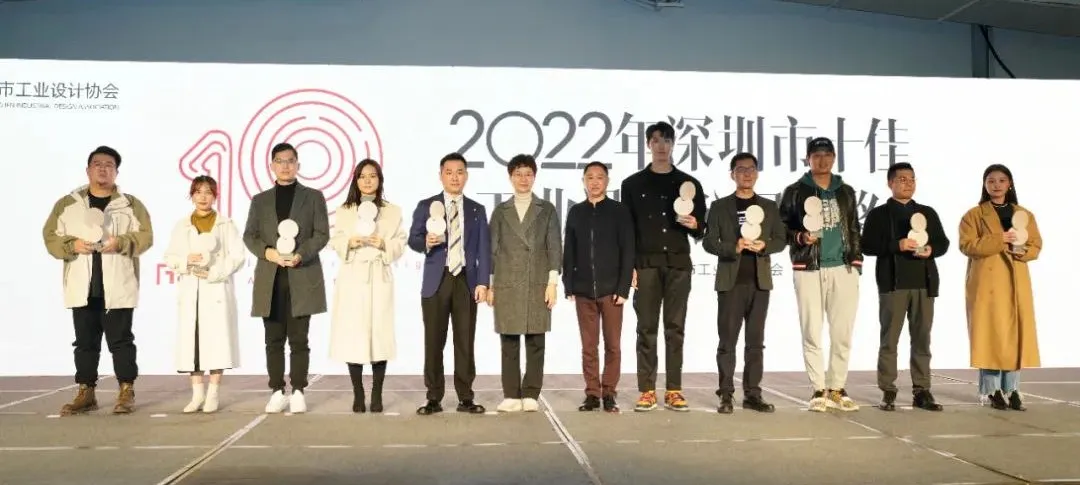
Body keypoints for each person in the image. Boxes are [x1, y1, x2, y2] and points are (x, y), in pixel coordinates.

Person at [42, 145, 153, 415]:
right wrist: (72, 245)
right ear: (88, 170)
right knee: (84, 343)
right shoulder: (68, 204)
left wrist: (121, 242)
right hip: (83, 286)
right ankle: (86, 392)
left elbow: (146, 237)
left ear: (116, 172)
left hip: (118, 285)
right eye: (97, 164)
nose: (103, 169)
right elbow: (51, 236)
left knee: (121, 342)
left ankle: (126, 390)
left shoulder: (131, 204)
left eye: (109, 165)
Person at [620, 121, 707, 412]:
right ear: (648, 144)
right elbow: (628, 230)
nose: (661, 146)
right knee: (646, 328)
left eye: (666, 140)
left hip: (678, 264)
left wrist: (695, 225)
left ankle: (673, 389)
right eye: (656, 140)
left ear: (673, 144)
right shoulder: (632, 184)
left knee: (675, 328)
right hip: (645, 265)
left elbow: (702, 228)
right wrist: (630, 267)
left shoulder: (689, 184)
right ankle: (646, 390)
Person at [242, 142, 329, 414]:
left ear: (298, 165)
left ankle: (299, 390)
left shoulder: (313, 197)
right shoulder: (260, 200)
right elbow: (250, 236)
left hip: (302, 275)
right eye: (280, 161)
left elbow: (321, 234)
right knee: (273, 339)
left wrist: (301, 254)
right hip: (271, 278)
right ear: (272, 166)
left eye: (290, 161)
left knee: (299, 339)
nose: (285, 166)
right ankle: (277, 391)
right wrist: (268, 253)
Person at [778, 137, 863, 412]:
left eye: (827, 154)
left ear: (834, 157)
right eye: (817, 155)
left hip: (843, 267)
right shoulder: (795, 191)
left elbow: (853, 226)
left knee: (842, 332)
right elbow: (780, 229)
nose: (822, 160)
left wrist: (856, 260)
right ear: (808, 159)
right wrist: (800, 237)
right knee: (811, 330)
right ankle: (818, 388)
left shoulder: (846, 191)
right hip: (809, 267)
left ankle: (836, 388)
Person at [701, 152, 787, 414]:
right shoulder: (719, 207)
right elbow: (708, 242)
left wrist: (765, 246)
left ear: (757, 173)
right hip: (731, 282)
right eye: (741, 169)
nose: (747, 174)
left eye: (751, 169)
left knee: (755, 343)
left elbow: (781, 239)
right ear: (732, 175)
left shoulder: (769, 207)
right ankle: (726, 394)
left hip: (760, 283)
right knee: (727, 342)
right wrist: (734, 247)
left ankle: (753, 394)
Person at [860, 162, 949, 412]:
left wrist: (931, 249)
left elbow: (942, 243)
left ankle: (922, 390)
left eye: (911, 179)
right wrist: (896, 245)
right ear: (890, 183)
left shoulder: (927, 212)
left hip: (924, 284)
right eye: (901, 179)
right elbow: (867, 246)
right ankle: (888, 391)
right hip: (893, 285)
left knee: (922, 340)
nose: (908, 183)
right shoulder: (879, 214)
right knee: (890, 340)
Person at [407, 152, 490, 416]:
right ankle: (433, 397)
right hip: (437, 280)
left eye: (460, 172)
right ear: (441, 175)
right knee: (434, 341)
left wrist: (483, 282)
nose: (455, 177)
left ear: (466, 176)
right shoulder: (426, 205)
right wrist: (425, 242)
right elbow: (413, 239)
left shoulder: (477, 210)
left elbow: (484, 248)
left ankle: (466, 397)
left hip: (466, 280)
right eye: (449, 172)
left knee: (465, 341)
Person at [958, 164, 1041, 411]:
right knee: (990, 336)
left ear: (1009, 184)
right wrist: (1000, 239)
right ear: (984, 185)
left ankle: (1013, 389)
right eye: (991, 181)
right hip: (988, 284)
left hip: (1015, 281)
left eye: (1002, 180)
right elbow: (967, 245)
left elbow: (1036, 245)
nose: (996, 185)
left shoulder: (1024, 214)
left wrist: (1022, 251)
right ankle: (992, 389)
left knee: (1014, 335)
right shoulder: (974, 215)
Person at [328, 159, 407, 413]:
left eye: (372, 175)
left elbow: (401, 242)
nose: (368, 180)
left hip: (379, 276)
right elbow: (335, 240)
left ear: (379, 179)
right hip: (353, 278)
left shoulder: (392, 211)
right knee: (354, 336)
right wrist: (349, 242)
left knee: (379, 336)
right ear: (356, 180)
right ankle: (358, 392)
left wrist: (384, 244)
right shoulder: (345, 210)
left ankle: (377, 393)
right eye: (362, 176)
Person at [162, 175, 245, 413]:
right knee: (193, 344)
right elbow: (170, 256)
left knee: (217, 342)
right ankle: (197, 394)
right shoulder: (182, 225)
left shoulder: (226, 225)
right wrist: (185, 260)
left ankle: (213, 394)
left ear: (215, 196)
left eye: (208, 192)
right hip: (191, 290)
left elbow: (238, 256)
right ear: (192, 195)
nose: (203, 197)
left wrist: (215, 272)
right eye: (198, 192)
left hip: (215, 289)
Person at [487, 154, 562, 413]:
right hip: (506, 281)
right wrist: (491, 284)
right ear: (510, 177)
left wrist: (552, 283)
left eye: (528, 174)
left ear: (535, 177)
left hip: (537, 281)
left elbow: (554, 247)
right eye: (518, 174)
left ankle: (531, 393)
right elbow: (492, 250)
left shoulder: (546, 209)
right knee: (508, 341)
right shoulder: (501, 211)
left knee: (535, 340)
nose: (523, 179)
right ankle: (510, 394)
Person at [563, 161, 634, 413]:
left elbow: (628, 250)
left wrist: (623, 288)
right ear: (584, 181)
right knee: (588, 346)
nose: (594, 182)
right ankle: (592, 393)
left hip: (612, 290)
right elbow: (569, 250)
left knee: (613, 345)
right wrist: (569, 284)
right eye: (590, 177)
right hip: (583, 290)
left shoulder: (619, 211)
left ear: (607, 181)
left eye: (599, 177)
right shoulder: (576, 212)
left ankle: (609, 392)